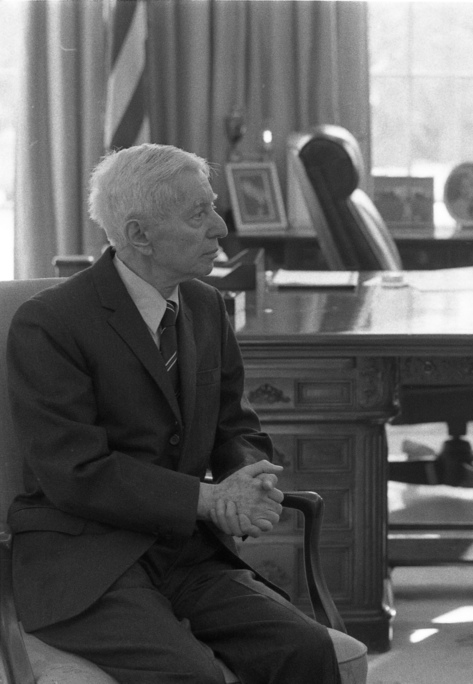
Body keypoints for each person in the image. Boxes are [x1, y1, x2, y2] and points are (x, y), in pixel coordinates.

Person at [6, 144, 367, 683]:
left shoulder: (204, 305)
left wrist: (247, 476)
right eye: (199, 214)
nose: (221, 228)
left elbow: (235, 425)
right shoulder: (50, 324)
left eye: (213, 207)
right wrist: (206, 498)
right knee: (191, 676)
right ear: (139, 235)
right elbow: (74, 473)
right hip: (88, 560)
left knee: (305, 649)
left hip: (185, 554)